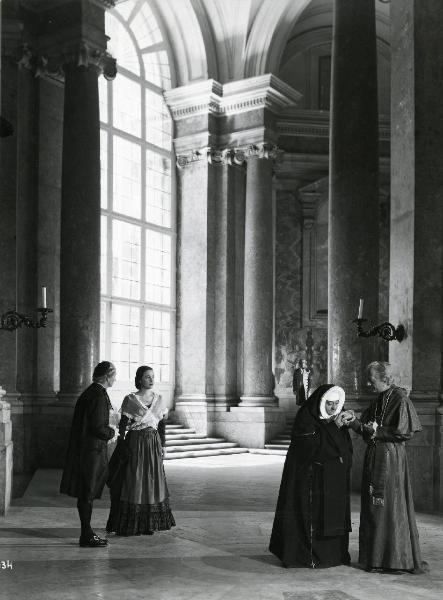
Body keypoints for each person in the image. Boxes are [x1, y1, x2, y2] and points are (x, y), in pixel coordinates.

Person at [346, 361, 426, 573]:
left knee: (388, 506)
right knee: (374, 506)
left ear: (385, 378)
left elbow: (403, 432)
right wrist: (352, 420)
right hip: (376, 456)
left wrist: (377, 431)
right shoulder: (380, 398)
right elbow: (367, 428)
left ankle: (394, 559)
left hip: (390, 458)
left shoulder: (400, 399)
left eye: (372, 380)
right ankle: (375, 558)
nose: (369, 384)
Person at [269, 384, 353, 568]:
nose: (333, 408)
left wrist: (346, 423)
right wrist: (334, 426)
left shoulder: (336, 416)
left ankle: (334, 556)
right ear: (322, 401)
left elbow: (343, 447)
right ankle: (309, 557)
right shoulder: (306, 416)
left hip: (333, 479)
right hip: (310, 481)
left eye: (337, 404)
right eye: (330, 403)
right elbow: (311, 448)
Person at [106, 365, 175, 536]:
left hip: (153, 444)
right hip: (135, 444)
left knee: (152, 481)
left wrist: (163, 446)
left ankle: (148, 523)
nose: (151, 380)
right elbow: (122, 426)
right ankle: (132, 524)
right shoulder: (130, 399)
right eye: (147, 377)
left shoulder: (159, 399)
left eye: (152, 376)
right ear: (139, 379)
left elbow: (162, 426)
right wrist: (121, 446)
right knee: (134, 480)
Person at [60, 361, 117, 548]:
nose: (115, 379)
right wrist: (112, 432)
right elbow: (97, 427)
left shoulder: (91, 392)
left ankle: (86, 532)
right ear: (107, 376)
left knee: (86, 492)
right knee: (87, 493)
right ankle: (86, 535)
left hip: (86, 450)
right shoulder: (98, 396)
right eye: (113, 375)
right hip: (92, 452)